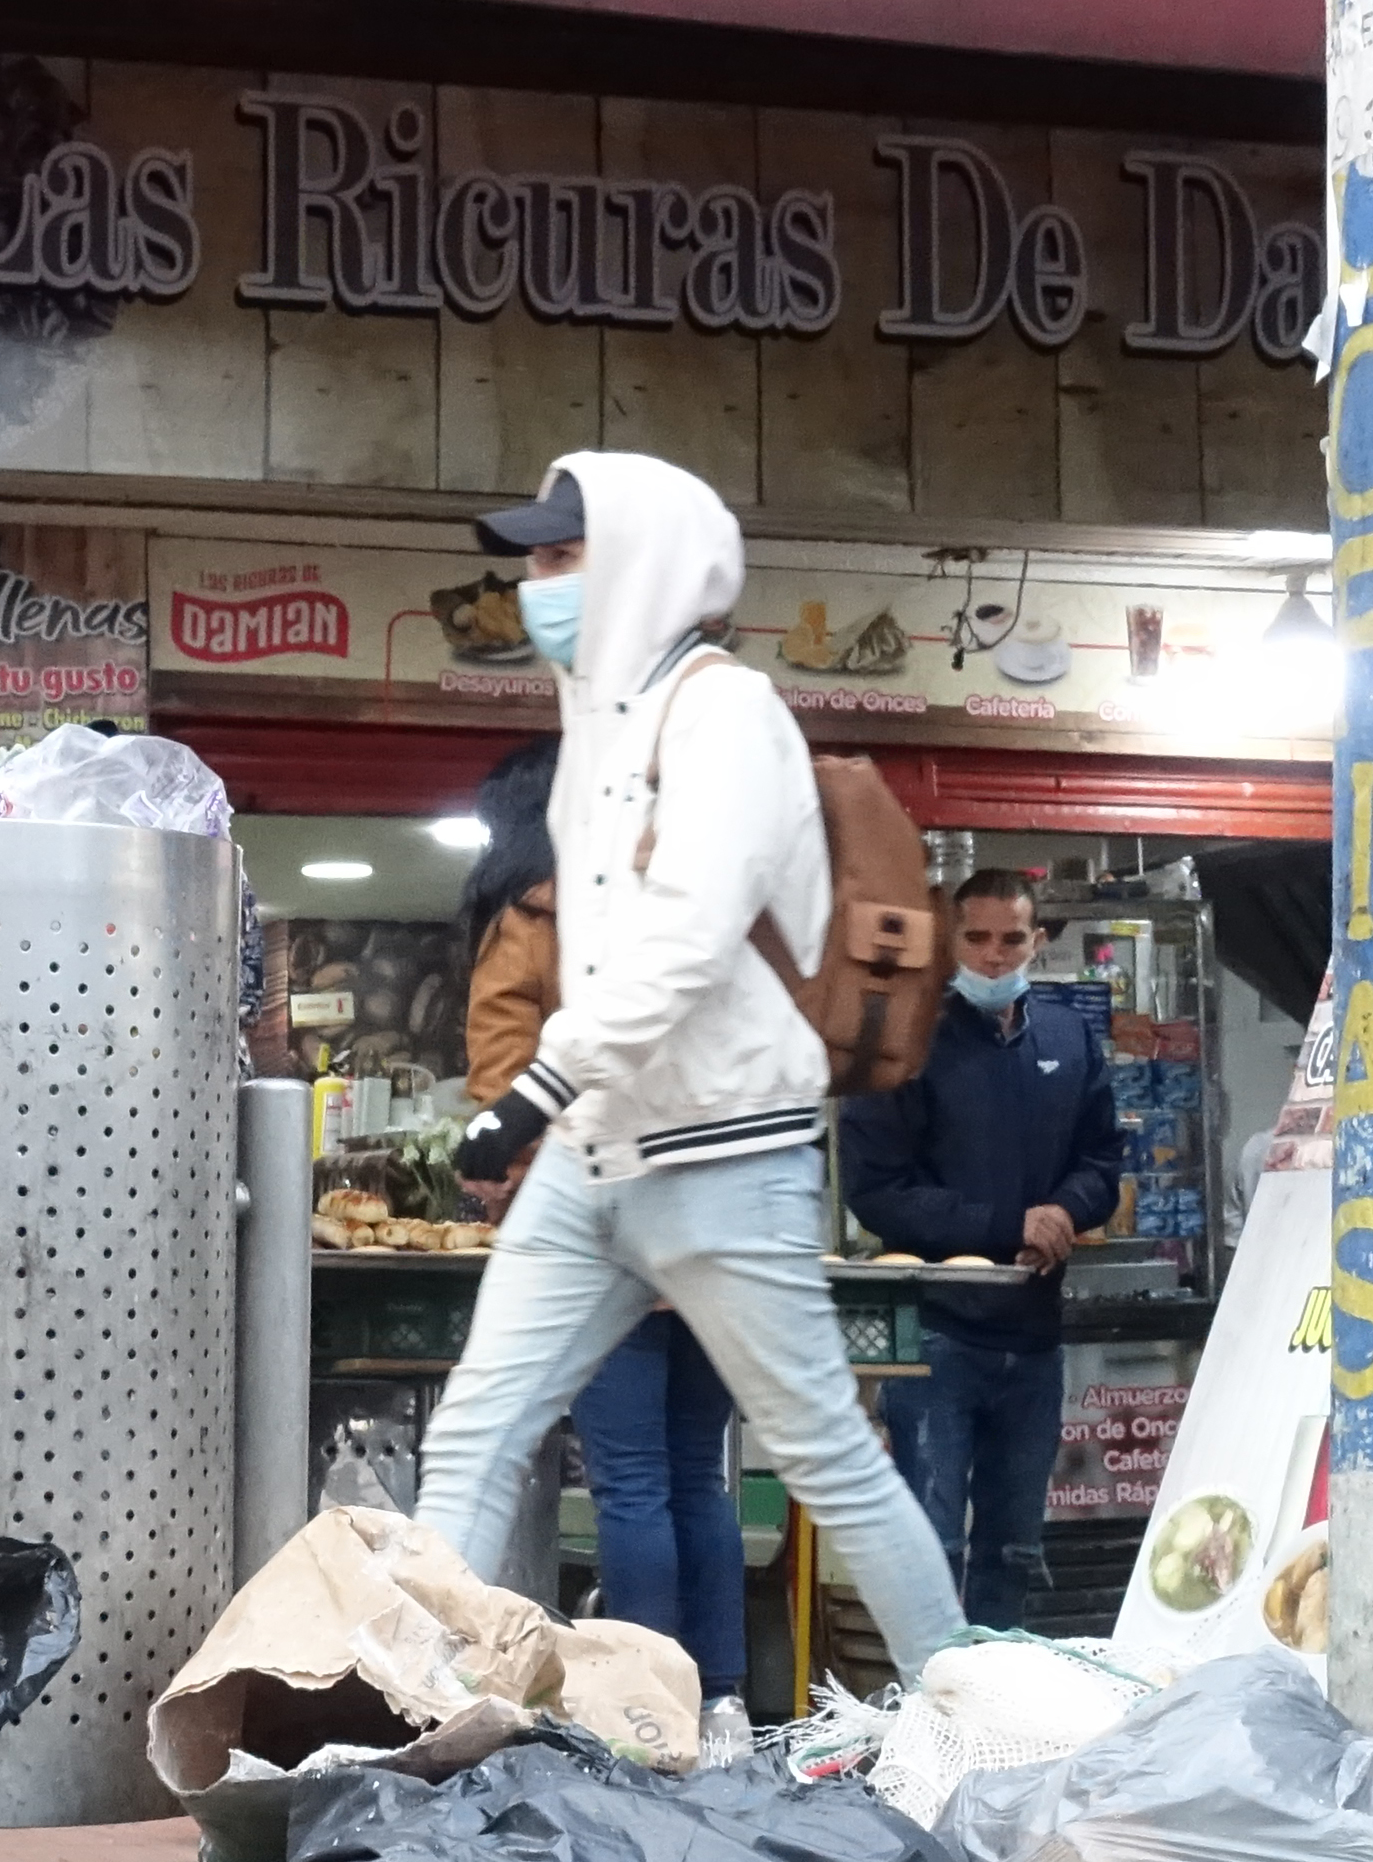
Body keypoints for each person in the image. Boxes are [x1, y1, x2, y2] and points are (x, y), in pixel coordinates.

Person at [415, 449, 971, 1678]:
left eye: (566, 556)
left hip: (725, 1149)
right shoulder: (599, 723)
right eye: (536, 560)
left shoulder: (726, 713)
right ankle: (413, 1710)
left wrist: (533, 1092)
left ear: (645, 565)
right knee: (474, 1436)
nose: (540, 583)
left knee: (825, 1455)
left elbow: (687, 936)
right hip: (597, 1150)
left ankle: (971, 1717)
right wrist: (557, 1105)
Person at [459, 736, 751, 1700]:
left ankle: (642, 1704)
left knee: (630, 1482)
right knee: (695, 1476)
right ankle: (721, 1704)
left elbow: (503, 1079)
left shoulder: (535, 918)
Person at [839, 867, 1121, 1629]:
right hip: (935, 1333)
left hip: (1033, 1335)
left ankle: (996, 1687)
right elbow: (875, 1191)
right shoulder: (905, 1042)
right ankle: (926, 1687)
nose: (993, 956)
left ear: (1037, 941)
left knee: (1014, 1548)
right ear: (948, 941)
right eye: (976, 939)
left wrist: (1065, 1209)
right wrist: (1006, 1225)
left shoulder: (1067, 1036)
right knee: (929, 1547)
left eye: (1010, 939)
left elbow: (1102, 1160)